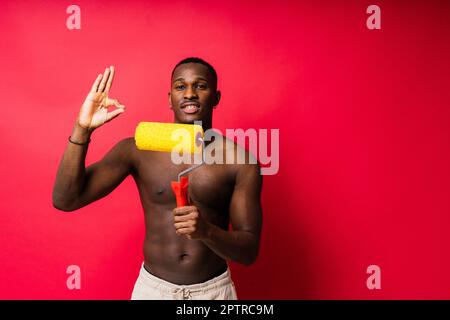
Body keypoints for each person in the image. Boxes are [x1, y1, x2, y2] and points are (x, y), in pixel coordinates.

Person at [52, 57, 263, 300]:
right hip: (153, 291)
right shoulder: (138, 150)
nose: (190, 93)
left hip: (213, 292)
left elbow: (249, 252)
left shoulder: (239, 161)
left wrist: (207, 231)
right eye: (180, 86)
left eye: (201, 86)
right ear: (170, 98)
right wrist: (82, 128)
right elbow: (66, 199)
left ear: (216, 98)